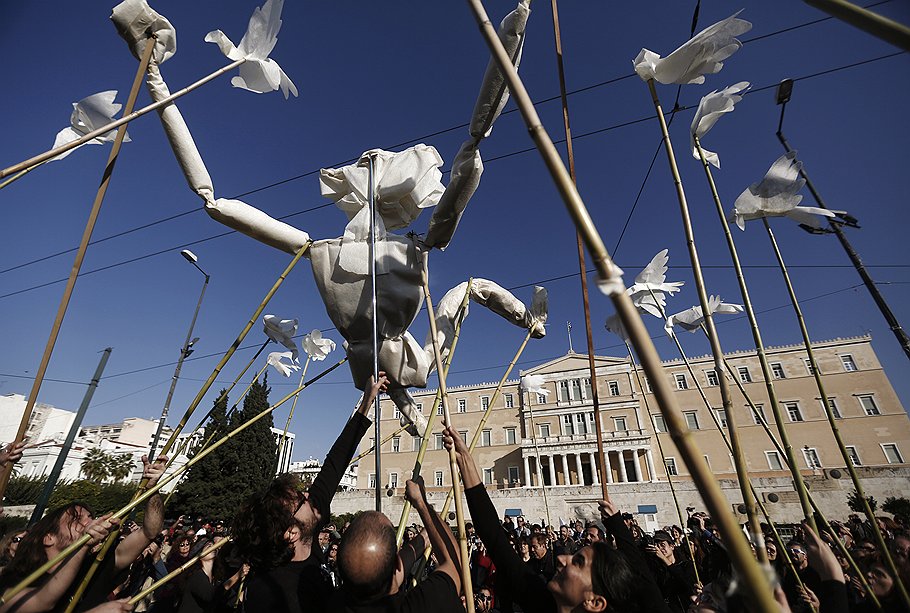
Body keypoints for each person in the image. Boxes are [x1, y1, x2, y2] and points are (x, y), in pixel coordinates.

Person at [444, 425, 671, 613]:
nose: (563, 559)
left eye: (578, 563)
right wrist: (465, 460)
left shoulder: (541, 604)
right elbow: (495, 538)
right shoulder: (542, 600)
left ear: (595, 602)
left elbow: (642, 580)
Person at [233, 375, 387, 612]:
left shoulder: (309, 525)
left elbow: (334, 464)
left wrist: (367, 400)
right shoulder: (271, 594)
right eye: (299, 501)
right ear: (291, 533)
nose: (307, 495)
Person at [328, 476, 462, 612]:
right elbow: (454, 562)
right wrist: (421, 502)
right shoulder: (422, 604)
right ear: (397, 563)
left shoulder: (333, 603)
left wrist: (424, 538)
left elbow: (385, 569)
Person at [646, 530, 697, 613]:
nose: (660, 549)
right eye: (657, 546)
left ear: (672, 546)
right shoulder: (658, 569)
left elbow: (686, 583)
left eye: (663, 545)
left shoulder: (686, 565)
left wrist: (664, 559)